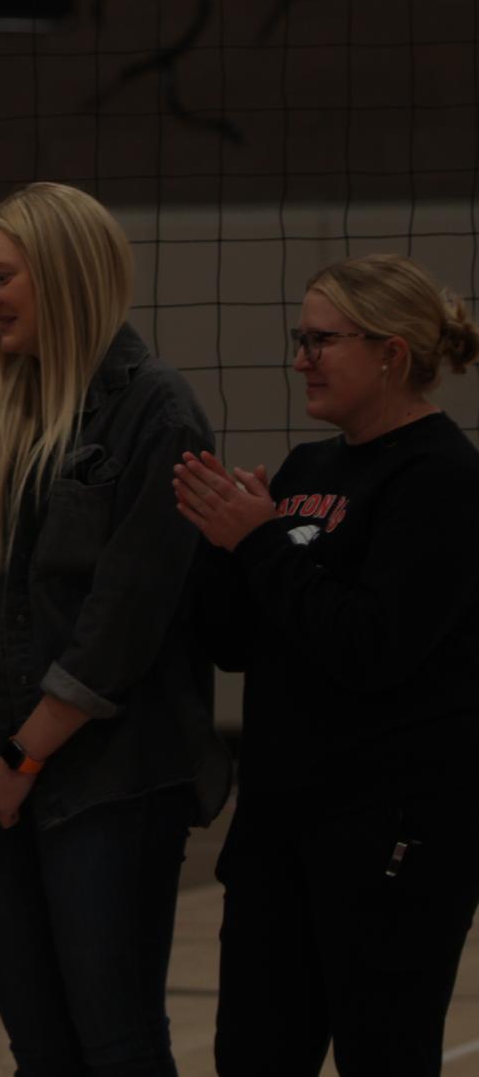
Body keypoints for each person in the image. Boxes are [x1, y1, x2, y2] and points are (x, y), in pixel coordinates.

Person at [0, 181, 230, 1076]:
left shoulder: (155, 412)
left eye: (1, 277)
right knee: (39, 1049)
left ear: (63, 275)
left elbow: (121, 625)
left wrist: (19, 764)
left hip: (109, 784)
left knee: (118, 1044)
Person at [173, 254, 479, 1076]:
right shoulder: (308, 470)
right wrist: (220, 549)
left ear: (391, 353)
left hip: (389, 843)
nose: (300, 358)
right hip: (280, 829)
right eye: (297, 338)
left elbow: (370, 648)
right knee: (252, 1055)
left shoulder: (443, 479)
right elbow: (239, 644)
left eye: (321, 340)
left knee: (382, 1055)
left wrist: (260, 540)